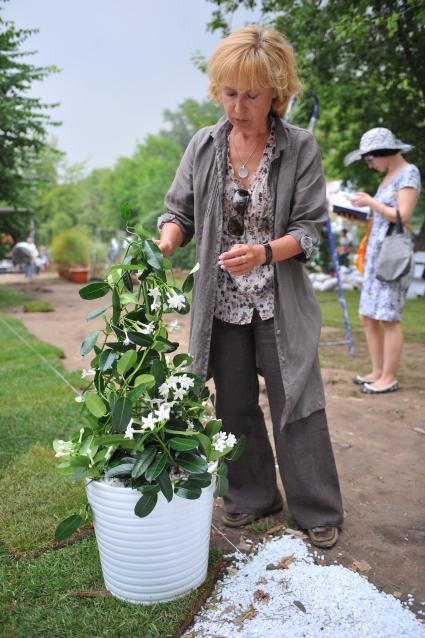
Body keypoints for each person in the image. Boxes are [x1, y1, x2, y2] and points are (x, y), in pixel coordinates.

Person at [156, 25, 343, 549]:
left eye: (252, 95)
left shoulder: (299, 147)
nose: (238, 107)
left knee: (296, 399)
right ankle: (253, 495)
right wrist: (167, 242)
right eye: (230, 93)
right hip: (221, 303)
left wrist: (263, 252)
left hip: (278, 301)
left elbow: (309, 230)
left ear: (276, 92)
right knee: (233, 404)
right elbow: (179, 211)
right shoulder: (205, 144)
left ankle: (317, 509)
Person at [345, 128, 421, 394]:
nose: (370, 164)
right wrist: (362, 211)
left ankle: (388, 377)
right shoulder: (388, 177)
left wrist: (370, 202)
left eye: (370, 159)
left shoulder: (408, 173)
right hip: (376, 256)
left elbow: (403, 215)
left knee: (388, 317)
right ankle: (377, 371)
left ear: (383, 153)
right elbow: (383, 216)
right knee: (367, 315)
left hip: (392, 257)